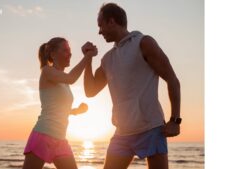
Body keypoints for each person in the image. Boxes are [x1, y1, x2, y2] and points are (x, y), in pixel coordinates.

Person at [82, 3, 181, 169]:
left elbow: (172, 79)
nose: (99, 31)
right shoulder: (108, 59)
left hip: (151, 128)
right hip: (122, 133)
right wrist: (88, 59)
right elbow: (90, 91)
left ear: (111, 21)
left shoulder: (144, 43)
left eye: (101, 25)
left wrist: (175, 120)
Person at [22, 37, 97, 169]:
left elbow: (58, 108)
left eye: (70, 50)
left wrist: (76, 111)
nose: (70, 53)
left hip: (60, 140)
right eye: (65, 50)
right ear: (53, 54)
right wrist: (88, 56)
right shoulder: (47, 71)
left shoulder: (62, 79)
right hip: (43, 135)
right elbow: (71, 78)